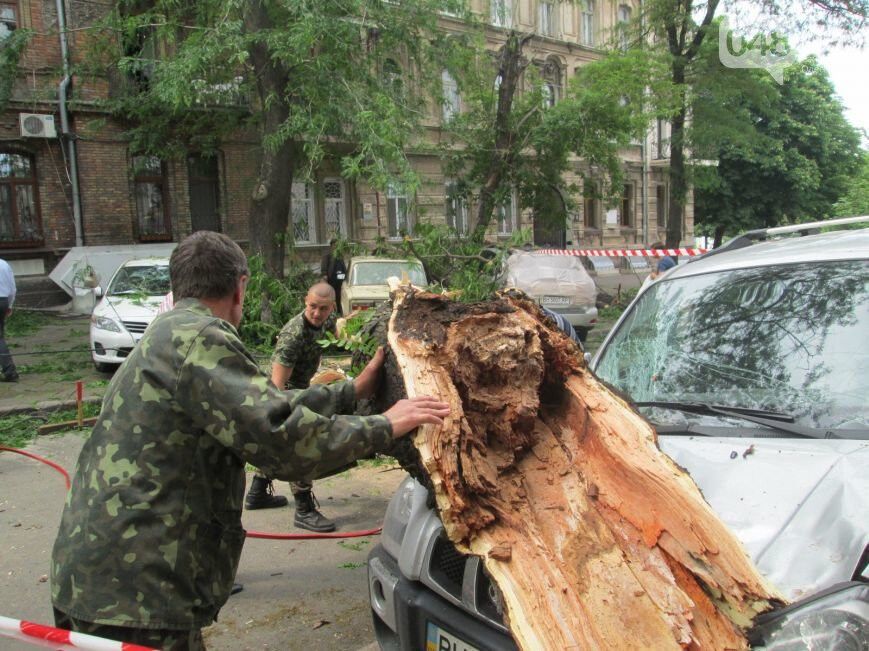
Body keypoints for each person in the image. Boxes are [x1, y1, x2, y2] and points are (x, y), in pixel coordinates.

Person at [49, 231, 450, 650]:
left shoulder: (170, 331)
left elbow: (261, 404)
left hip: (101, 579)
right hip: (135, 594)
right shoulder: (200, 338)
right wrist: (385, 425)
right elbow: (284, 443)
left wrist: (351, 393)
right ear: (240, 286)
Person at [244, 282, 341, 533]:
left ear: (331, 308)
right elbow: (277, 386)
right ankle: (304, 509)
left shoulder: (326, 322)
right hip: (283, 392)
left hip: (302, 388)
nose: (316, 313)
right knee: (301, 445)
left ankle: (257, 493)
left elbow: (340, 334)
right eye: (312, 307)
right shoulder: (293, 335)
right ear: (304, 303)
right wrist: (283, 417)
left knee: (277, 446)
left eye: (323, 308)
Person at [0, 257, 19, 382]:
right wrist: (9, 305)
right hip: (3, 301)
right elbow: (12, 288)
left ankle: (10, 371)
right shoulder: (3, 264)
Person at [320, 238, 346, 312]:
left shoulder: (340, 254)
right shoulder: (328, 255)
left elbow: (343, 266)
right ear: (331, 245)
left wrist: (345, 275)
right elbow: (324, 266)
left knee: (339, 295)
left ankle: (339, 310)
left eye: (338, 245)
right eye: (335, 244)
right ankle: (332, 311)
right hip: (332, 278)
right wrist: (324, 274)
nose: (336, 246)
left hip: (340, 277)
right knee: (332, 295)